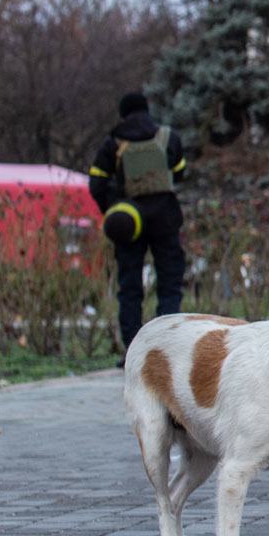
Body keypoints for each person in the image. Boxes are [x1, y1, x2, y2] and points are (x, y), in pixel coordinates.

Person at [88, 92, 188, 351]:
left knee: (129, 287)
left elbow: (96, 183)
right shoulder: (167, 138)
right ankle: (170, 347)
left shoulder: (113, 142)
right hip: (166, 217)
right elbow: (180, 172)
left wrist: (114, 209)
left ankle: (133, 351)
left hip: (129, 223)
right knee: (169, 283)